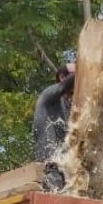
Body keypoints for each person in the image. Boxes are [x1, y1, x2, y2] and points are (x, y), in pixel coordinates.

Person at [32, 62, 76, 190]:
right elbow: (64, 86)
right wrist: (85, 67)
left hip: (63, 168)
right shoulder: (48, 96)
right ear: (62, 77)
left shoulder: (70, 107)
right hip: (49, 166)